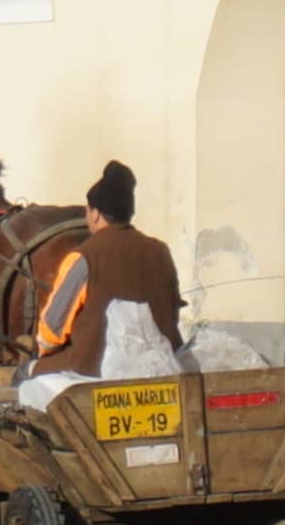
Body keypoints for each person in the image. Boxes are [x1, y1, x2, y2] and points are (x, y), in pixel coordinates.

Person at [16, 160, 185, 409]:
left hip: (90, 370)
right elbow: (172, 312)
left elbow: (52, 332)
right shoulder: (160, 251)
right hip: (161, 365)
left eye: (87, 211)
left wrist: (39, 352)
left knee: (21, 375)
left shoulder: (84, 257)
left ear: (95, 213)